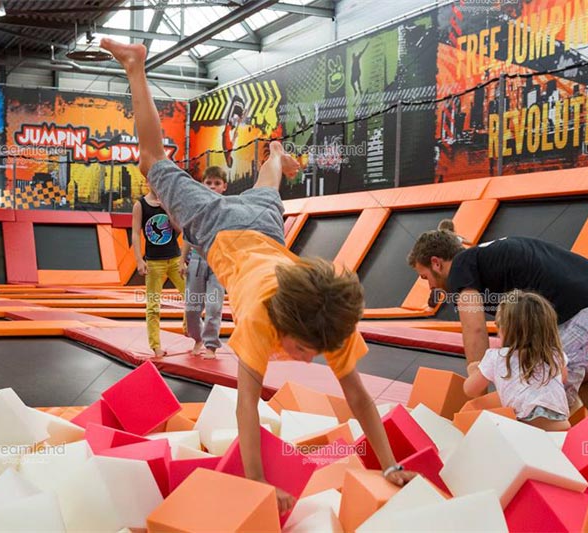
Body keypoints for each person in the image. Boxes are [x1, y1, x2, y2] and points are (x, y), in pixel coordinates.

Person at [101, 37, 416, 514]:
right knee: (152, 162)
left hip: (267, 235)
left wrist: (391, 466)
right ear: (283, 325)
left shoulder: (330, 320)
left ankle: (275, 156)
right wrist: (259, 484)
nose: (307, 361)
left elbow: (361, 398)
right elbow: (245, 406)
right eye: (302, 350)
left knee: (269, 188)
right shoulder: (260, 321)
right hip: (217, 227)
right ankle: (135, 68)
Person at [408, 224, 588, 413]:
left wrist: (477, 401)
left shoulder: (461, 266)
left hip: (584, 311)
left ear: (436, 262)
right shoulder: (486, 258)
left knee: (543, 397)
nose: (430, 286)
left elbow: (474, 329)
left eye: (425, 276)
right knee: (587, 380)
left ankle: (544, 454)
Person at [464, 291, 571, 431]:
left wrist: (474, 370)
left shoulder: (496, 357)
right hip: (561, 426)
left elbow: (470, 390)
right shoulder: (555, 355)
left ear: (505, 329)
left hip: (525, 427)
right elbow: (563, 377)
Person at [132, 185, 186, 357]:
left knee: (192, 298)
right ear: (148, 182)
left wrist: (167, 209)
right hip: (154, 262)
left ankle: (189, 329)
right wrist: (139, 260)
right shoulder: (140, 205)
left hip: (175, 259)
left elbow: (180, 229)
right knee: (153, 306)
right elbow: (135, 233)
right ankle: (156, 347)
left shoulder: (168, 202)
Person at [181, 166, 228, 360]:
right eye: (208, 183)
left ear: (224, 186)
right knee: (192, 309)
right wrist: (182, 258)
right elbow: (187, 235)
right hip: (197, 260)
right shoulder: (197, 208)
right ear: (203, 184)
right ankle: (197, 338)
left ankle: (211, 345)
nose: (212, 186)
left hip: (219, 261)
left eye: (217, 183)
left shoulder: (228, 207)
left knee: (214, 306)